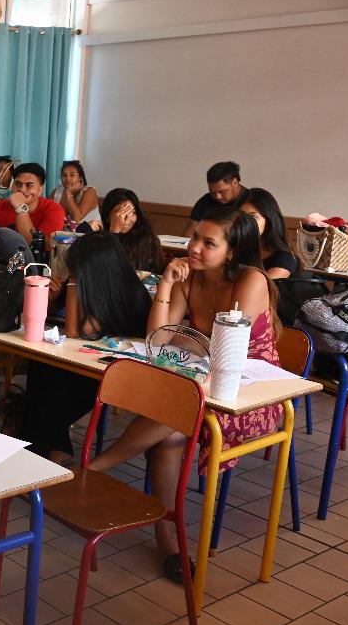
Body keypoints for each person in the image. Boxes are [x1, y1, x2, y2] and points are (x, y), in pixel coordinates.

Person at [88, 205, 281, 584]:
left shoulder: (251, 280)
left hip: (251, 394)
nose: (193, 247)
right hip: (202, 383)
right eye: (194, 237)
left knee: (178, 411)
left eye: (208, 243)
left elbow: (225, 349)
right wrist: (165, 283)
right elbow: (158, 339)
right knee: (172, 430)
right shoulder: (187, 276)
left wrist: (186, 341)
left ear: (232, 251)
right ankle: (170, 545)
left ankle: (93, 470)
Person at [25, 232, 151, 464]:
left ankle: (48, 447)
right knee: (42, 365)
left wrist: (74, 281)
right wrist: (52, 298)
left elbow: (76, 331)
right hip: (84, 364)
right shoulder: (96, 284)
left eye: (76, 269)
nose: (71, 273)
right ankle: (49, 446)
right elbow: (57, 319)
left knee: (52, 380)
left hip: (113, 374)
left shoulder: (127, 293)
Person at [0, 162, 65, 244]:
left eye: (29, 185)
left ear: (39, 190)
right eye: (18, 184)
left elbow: (35, 244)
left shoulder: (54, 210)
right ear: (12, 187)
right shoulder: (0, 206)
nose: (22, 189)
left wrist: (20, 208)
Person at [91, 188, 163, 273]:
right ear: (107, 217)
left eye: (133, 212)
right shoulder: (98, 237)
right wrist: (114, 232)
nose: (127, 218)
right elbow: (100, 268)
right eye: (120, 213)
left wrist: (114, 233)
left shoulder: (146, 238)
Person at [237, 188, 299, 280]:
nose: (245, 222)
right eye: (241, 216)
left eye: (253, 216)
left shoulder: (286, 258)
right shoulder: (236, 251)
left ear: (268, 222)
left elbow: (262, 287)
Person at [184, 161, 249, 236]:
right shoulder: (205, 200)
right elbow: (190, 232)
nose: (218, 197)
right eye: (213, 192)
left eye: (222, 192)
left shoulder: (251, 201)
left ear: (235, 182)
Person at [51, 159, 100, 229]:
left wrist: (68, 194)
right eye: (64, 175)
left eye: (72, 175)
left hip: (90, 233)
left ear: (80, 178)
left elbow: (77, 218)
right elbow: (48, 214)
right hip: (63, 233)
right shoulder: (57, 192)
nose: (67, 178)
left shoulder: (90, 191)